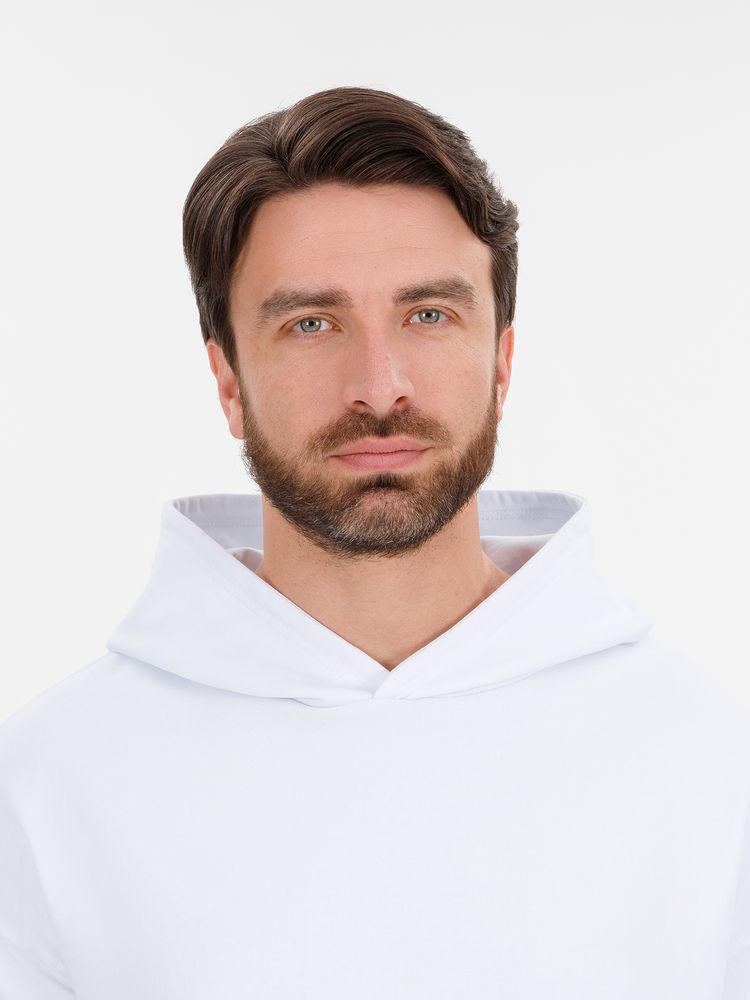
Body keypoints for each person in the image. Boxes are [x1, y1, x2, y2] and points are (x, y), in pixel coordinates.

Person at [1, 86, 748, 1000]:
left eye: (428, 314)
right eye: (311, 324)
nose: (380, 385)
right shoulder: (49, 787)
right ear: (228, 380)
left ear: (501, 362)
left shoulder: (708, 765)